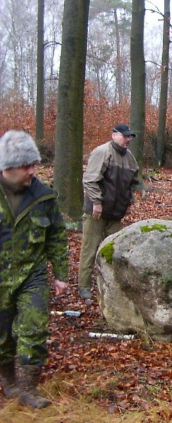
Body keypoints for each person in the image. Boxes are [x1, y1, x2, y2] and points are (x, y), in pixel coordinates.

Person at [0, 130, 69, 409]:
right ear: (8, 168)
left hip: (33, 274)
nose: (33, 170)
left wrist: (61, 274)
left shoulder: (44, 196)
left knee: (34, 328)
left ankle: (28, 387)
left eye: (34, 164)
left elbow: (56, 235)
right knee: (3, 334)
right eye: (27, 165)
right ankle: (9, 380)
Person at [78, 124, 139, 300]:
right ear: (114, 135)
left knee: (114, 252)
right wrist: (96, 202)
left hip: (116, 213)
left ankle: (112, 287)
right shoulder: (102, 152)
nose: (128, 139)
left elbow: (133, 183)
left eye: (130, 137)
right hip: (96, 212)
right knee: (90, 250)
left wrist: (129, 202)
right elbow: (90, 180)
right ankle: (84, 286)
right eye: (125, 136)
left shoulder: (130, 158)